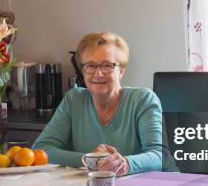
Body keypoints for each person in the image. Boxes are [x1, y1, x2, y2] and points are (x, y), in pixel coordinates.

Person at [32, 31, 163, 175]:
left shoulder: (143, 100)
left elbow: (159, 156)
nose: (98, 74)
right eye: (90, 66)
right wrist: (91, 159)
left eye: (107, 65)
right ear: (83, 70)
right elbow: (40, 150)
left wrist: (125, 163)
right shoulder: (73, 99)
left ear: (121, 71)